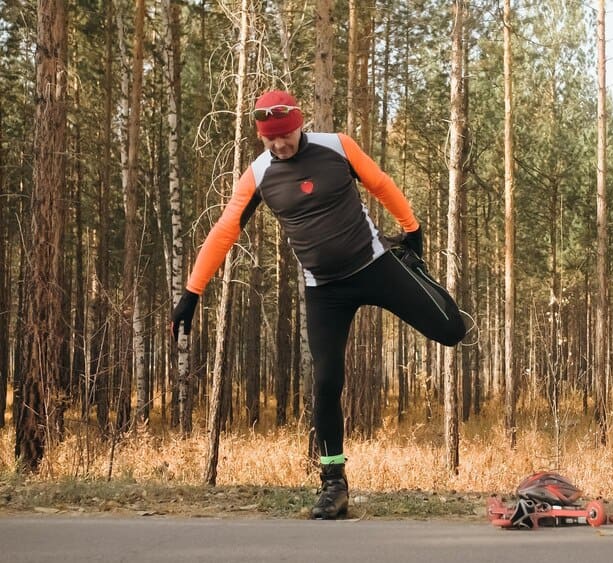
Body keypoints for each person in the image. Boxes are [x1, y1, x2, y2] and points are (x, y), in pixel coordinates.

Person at [170, 90, 468, 519]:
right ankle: (333, 485)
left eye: (285, 135)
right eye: (269, 139)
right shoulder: (259, 174)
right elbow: (223, 232)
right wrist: (191, 293)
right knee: (326, 382)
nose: (279, 145)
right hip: (324, 290)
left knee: (451, 330)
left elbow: (381, 183)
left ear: (299, 124)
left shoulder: (337, 147)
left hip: (375, 265)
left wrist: (412, 229)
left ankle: (413, 269)